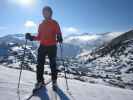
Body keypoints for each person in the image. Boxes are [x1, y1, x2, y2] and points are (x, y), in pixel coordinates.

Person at [25, 6, 63, 90]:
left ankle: (54, 82)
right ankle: (40, 81)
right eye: (44, 12)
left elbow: (58, 32)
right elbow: (39, 37)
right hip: (42, 46)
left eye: (47, 12)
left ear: (50, 13)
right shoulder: (41, 25)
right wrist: (31, 37)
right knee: (40, 65)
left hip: (52, 47)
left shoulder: (55, 23)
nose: (45, 14)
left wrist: (59, 37)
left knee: (53, 65)